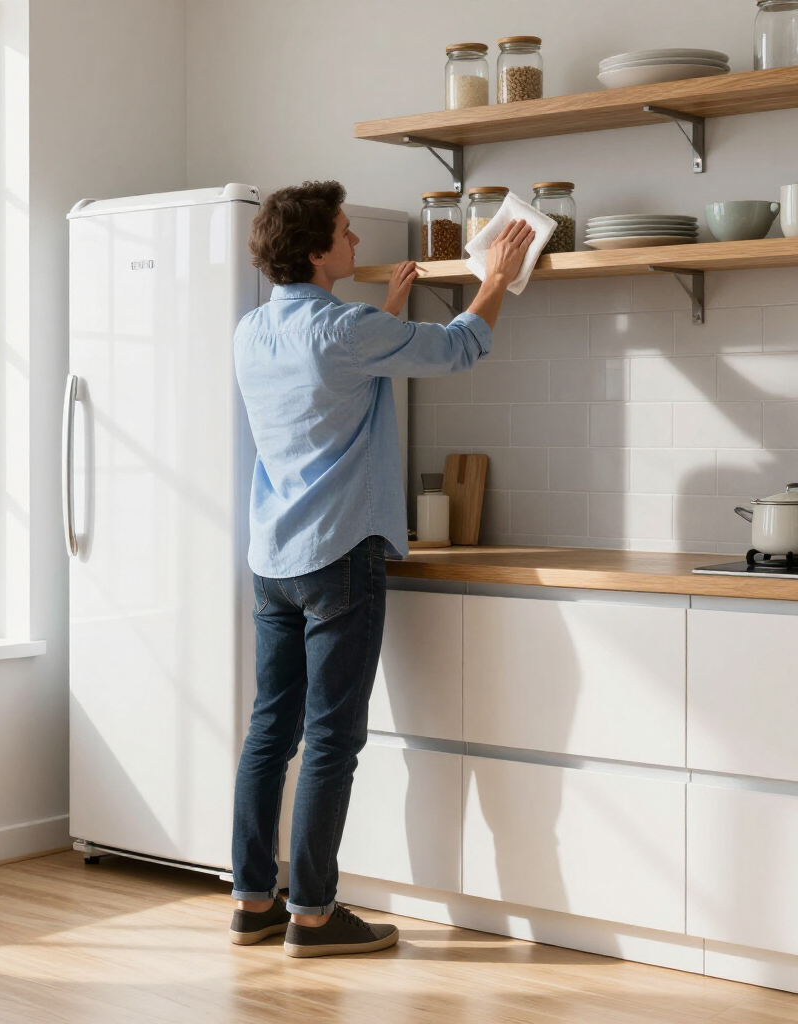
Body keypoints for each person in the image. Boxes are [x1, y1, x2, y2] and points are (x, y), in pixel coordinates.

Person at [228, 181, 533, 958]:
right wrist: (495, 278)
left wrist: (386, 320)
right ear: (315, 249)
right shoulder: (345, 329)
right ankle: (317, 916)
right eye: (345, 232)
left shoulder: (252, 331)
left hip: (273, 560)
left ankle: (254, 901)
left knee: (271, 731)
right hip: (338, 556)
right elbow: (461, 347)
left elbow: (325, 386)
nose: (356, 244)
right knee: (332, 739)